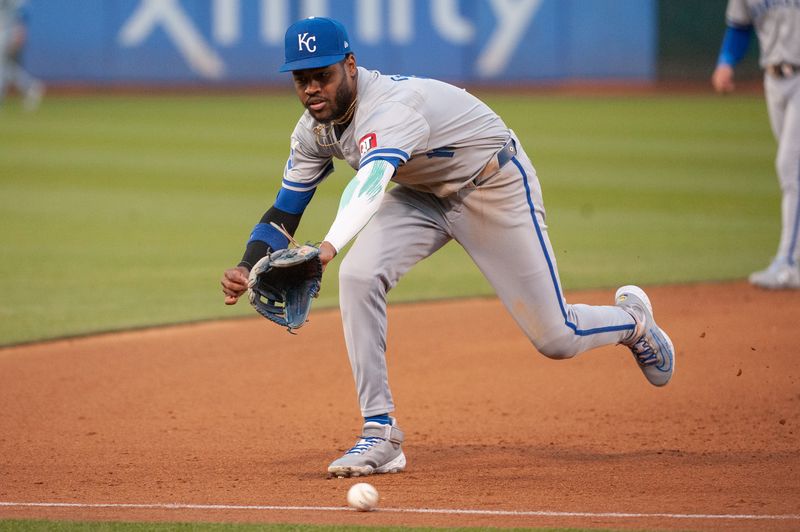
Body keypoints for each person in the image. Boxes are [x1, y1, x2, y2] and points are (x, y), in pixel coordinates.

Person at [221, 17, 675, 478]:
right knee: (359, 276)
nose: (313, 88)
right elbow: (285, 209)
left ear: (351, 66)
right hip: (422, 196)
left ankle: (634, 323)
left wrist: (330, 246)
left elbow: (373, 182)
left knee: (556, 337)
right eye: (303, 79)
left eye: (323, 75)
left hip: (492, 185)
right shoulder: (313, 130)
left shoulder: (391, 108)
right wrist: (247, 264)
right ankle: (380, 434)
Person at [711, 0, 800, 289]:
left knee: (790, 167)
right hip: (773, 80)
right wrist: (726, 61)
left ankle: (788, 262)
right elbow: (739, 26)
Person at [0, 0, 44, 110]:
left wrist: (20, 30)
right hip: (4, 31)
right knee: (4, 66)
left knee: (2, 65)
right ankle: (29, 86)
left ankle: (29, 86)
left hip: (7, 32)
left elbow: (22, 11)